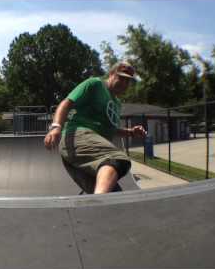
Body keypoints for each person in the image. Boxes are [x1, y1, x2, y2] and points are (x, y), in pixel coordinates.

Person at [44, 61, 147, 194]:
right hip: (78, 138)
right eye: (121, 78)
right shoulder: (95, 84)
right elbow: (66, 103)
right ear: (111, 74)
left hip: (88, 156)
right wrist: (56, 127)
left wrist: (130, 132)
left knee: (113, 195)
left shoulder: (117, 104)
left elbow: (110, 128)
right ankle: (99, 202)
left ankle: (95, 207)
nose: (124, 83)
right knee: (117, 159)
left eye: (128, 81)